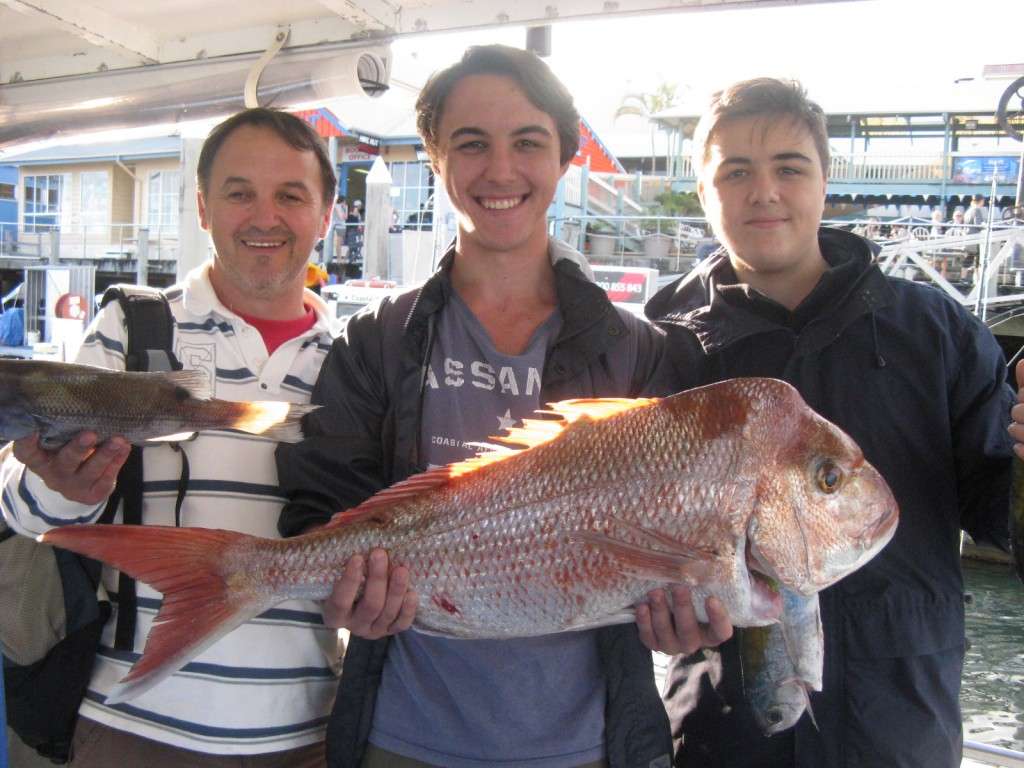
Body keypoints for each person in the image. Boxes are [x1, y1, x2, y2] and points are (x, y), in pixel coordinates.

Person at [276, 44, 732, 768]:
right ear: (434, 155)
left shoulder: (638, 353)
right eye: (471, 144)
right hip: (399, 742)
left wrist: (685, 618)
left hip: (591, 749)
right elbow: (317, 512)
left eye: (527, 142)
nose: (500, 170)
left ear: (565, 156)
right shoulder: (378, 338)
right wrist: (344, 596)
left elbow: (676, 544)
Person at [644, 77, 1014, 768]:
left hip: (899, 729)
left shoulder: (936, 334)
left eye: (790, 167)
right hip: (720, 735)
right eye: (736, 172)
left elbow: (1003, 519)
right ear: (703, 190)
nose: (765, 192)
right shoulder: (662, 345)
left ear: (824, 181)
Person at [0, 107, 340, 767]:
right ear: (204, 209)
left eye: (290, 196)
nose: (264, 216)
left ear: (325, 213)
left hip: (305, 736)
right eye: (239, 193)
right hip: (132, 729)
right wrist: (58, 483)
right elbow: (16, 507)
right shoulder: (132, 329)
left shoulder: (359, 361)